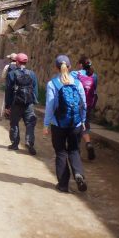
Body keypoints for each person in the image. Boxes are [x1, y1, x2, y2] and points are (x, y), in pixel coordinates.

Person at [44, 55, 88, 193]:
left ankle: (63, 185)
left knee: (61, 152)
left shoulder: (52, 84)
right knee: (74, 150)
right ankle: (78, 174)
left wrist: (46, 125)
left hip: (58, 125)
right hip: (76, 124)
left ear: (56, 68)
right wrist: (83, 121)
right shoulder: (77, 83)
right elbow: (83, 104)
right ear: (69, 67)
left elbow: (50, 106)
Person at [4, 53, 38, 155]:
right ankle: (29, 142)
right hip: (28, 103)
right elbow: (35, 90)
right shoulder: (32, 74)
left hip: (16, 103)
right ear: (26, 62)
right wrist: (33, 101)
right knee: (30, 123)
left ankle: (15, 144)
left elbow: (8, 91)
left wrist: (7, 106)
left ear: (17, 62)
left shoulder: (12, 74)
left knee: (14, 123)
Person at [75, 56, 98, 160]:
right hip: (88, 105)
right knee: (85, 126)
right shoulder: (94, 76)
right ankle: (88, 143)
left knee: (75, 126)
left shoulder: (75, 74)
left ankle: (76, 151)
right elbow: (94, 90)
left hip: (77, 104)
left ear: (80, 64)